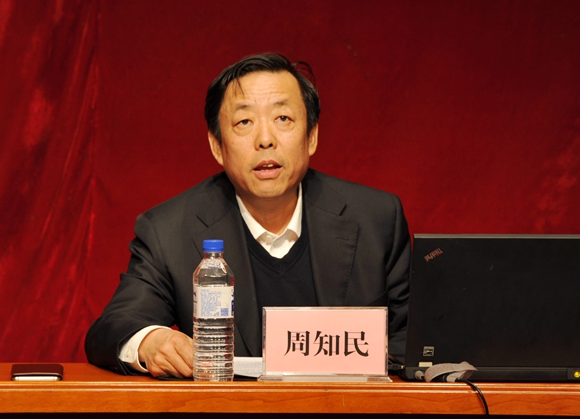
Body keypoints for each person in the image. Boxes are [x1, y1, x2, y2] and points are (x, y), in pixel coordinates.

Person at [85, 53, 411, 377]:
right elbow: (115, 326)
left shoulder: (376, 219)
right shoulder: (169, 231)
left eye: (283, 118)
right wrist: (151, 341)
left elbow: (413, 338)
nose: (265, 140)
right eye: (244, 122)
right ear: (217, 146)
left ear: (311, 136)